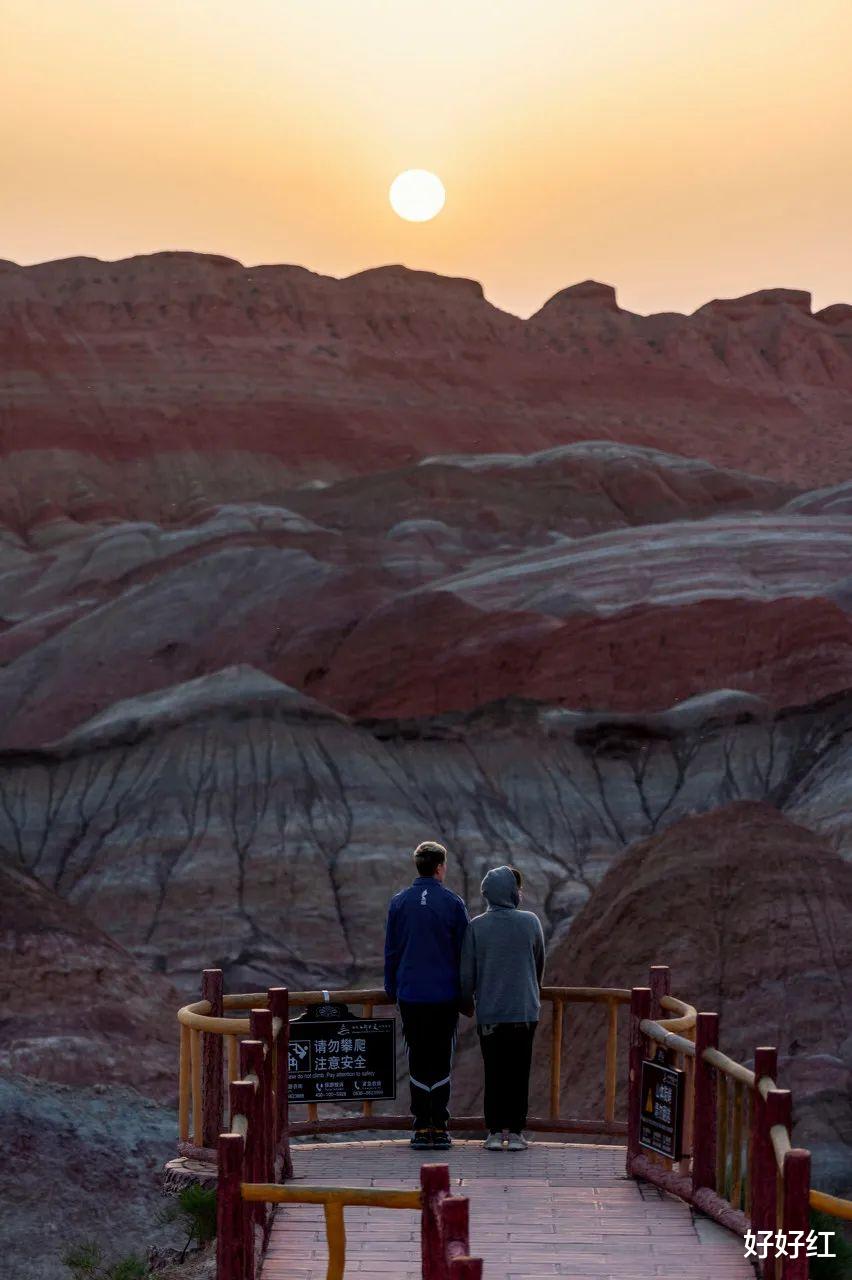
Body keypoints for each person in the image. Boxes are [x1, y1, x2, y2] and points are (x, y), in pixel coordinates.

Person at [384, 839, 470, 1150]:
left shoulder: (399, 902)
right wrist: (466, 993)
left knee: (418, 1058)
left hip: (410, 995)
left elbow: (391, 950)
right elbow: (465, 953)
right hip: (444, 995)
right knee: (441, 1059)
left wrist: (391, 988)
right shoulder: (453, 903)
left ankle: (421, 1127)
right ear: (439, 868)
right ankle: (440, 1126)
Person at [459, 865, 545, 1152]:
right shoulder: (531, 922)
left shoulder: (476, 926)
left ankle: (494, 1132)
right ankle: (518, 1133)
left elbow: (467, 975)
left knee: (494, 1073)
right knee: (519, 1073)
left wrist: (467, 1003)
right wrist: (532, 993)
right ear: (511, 891)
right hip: (524, 1011)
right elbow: (539, 963)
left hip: (491, 1014)